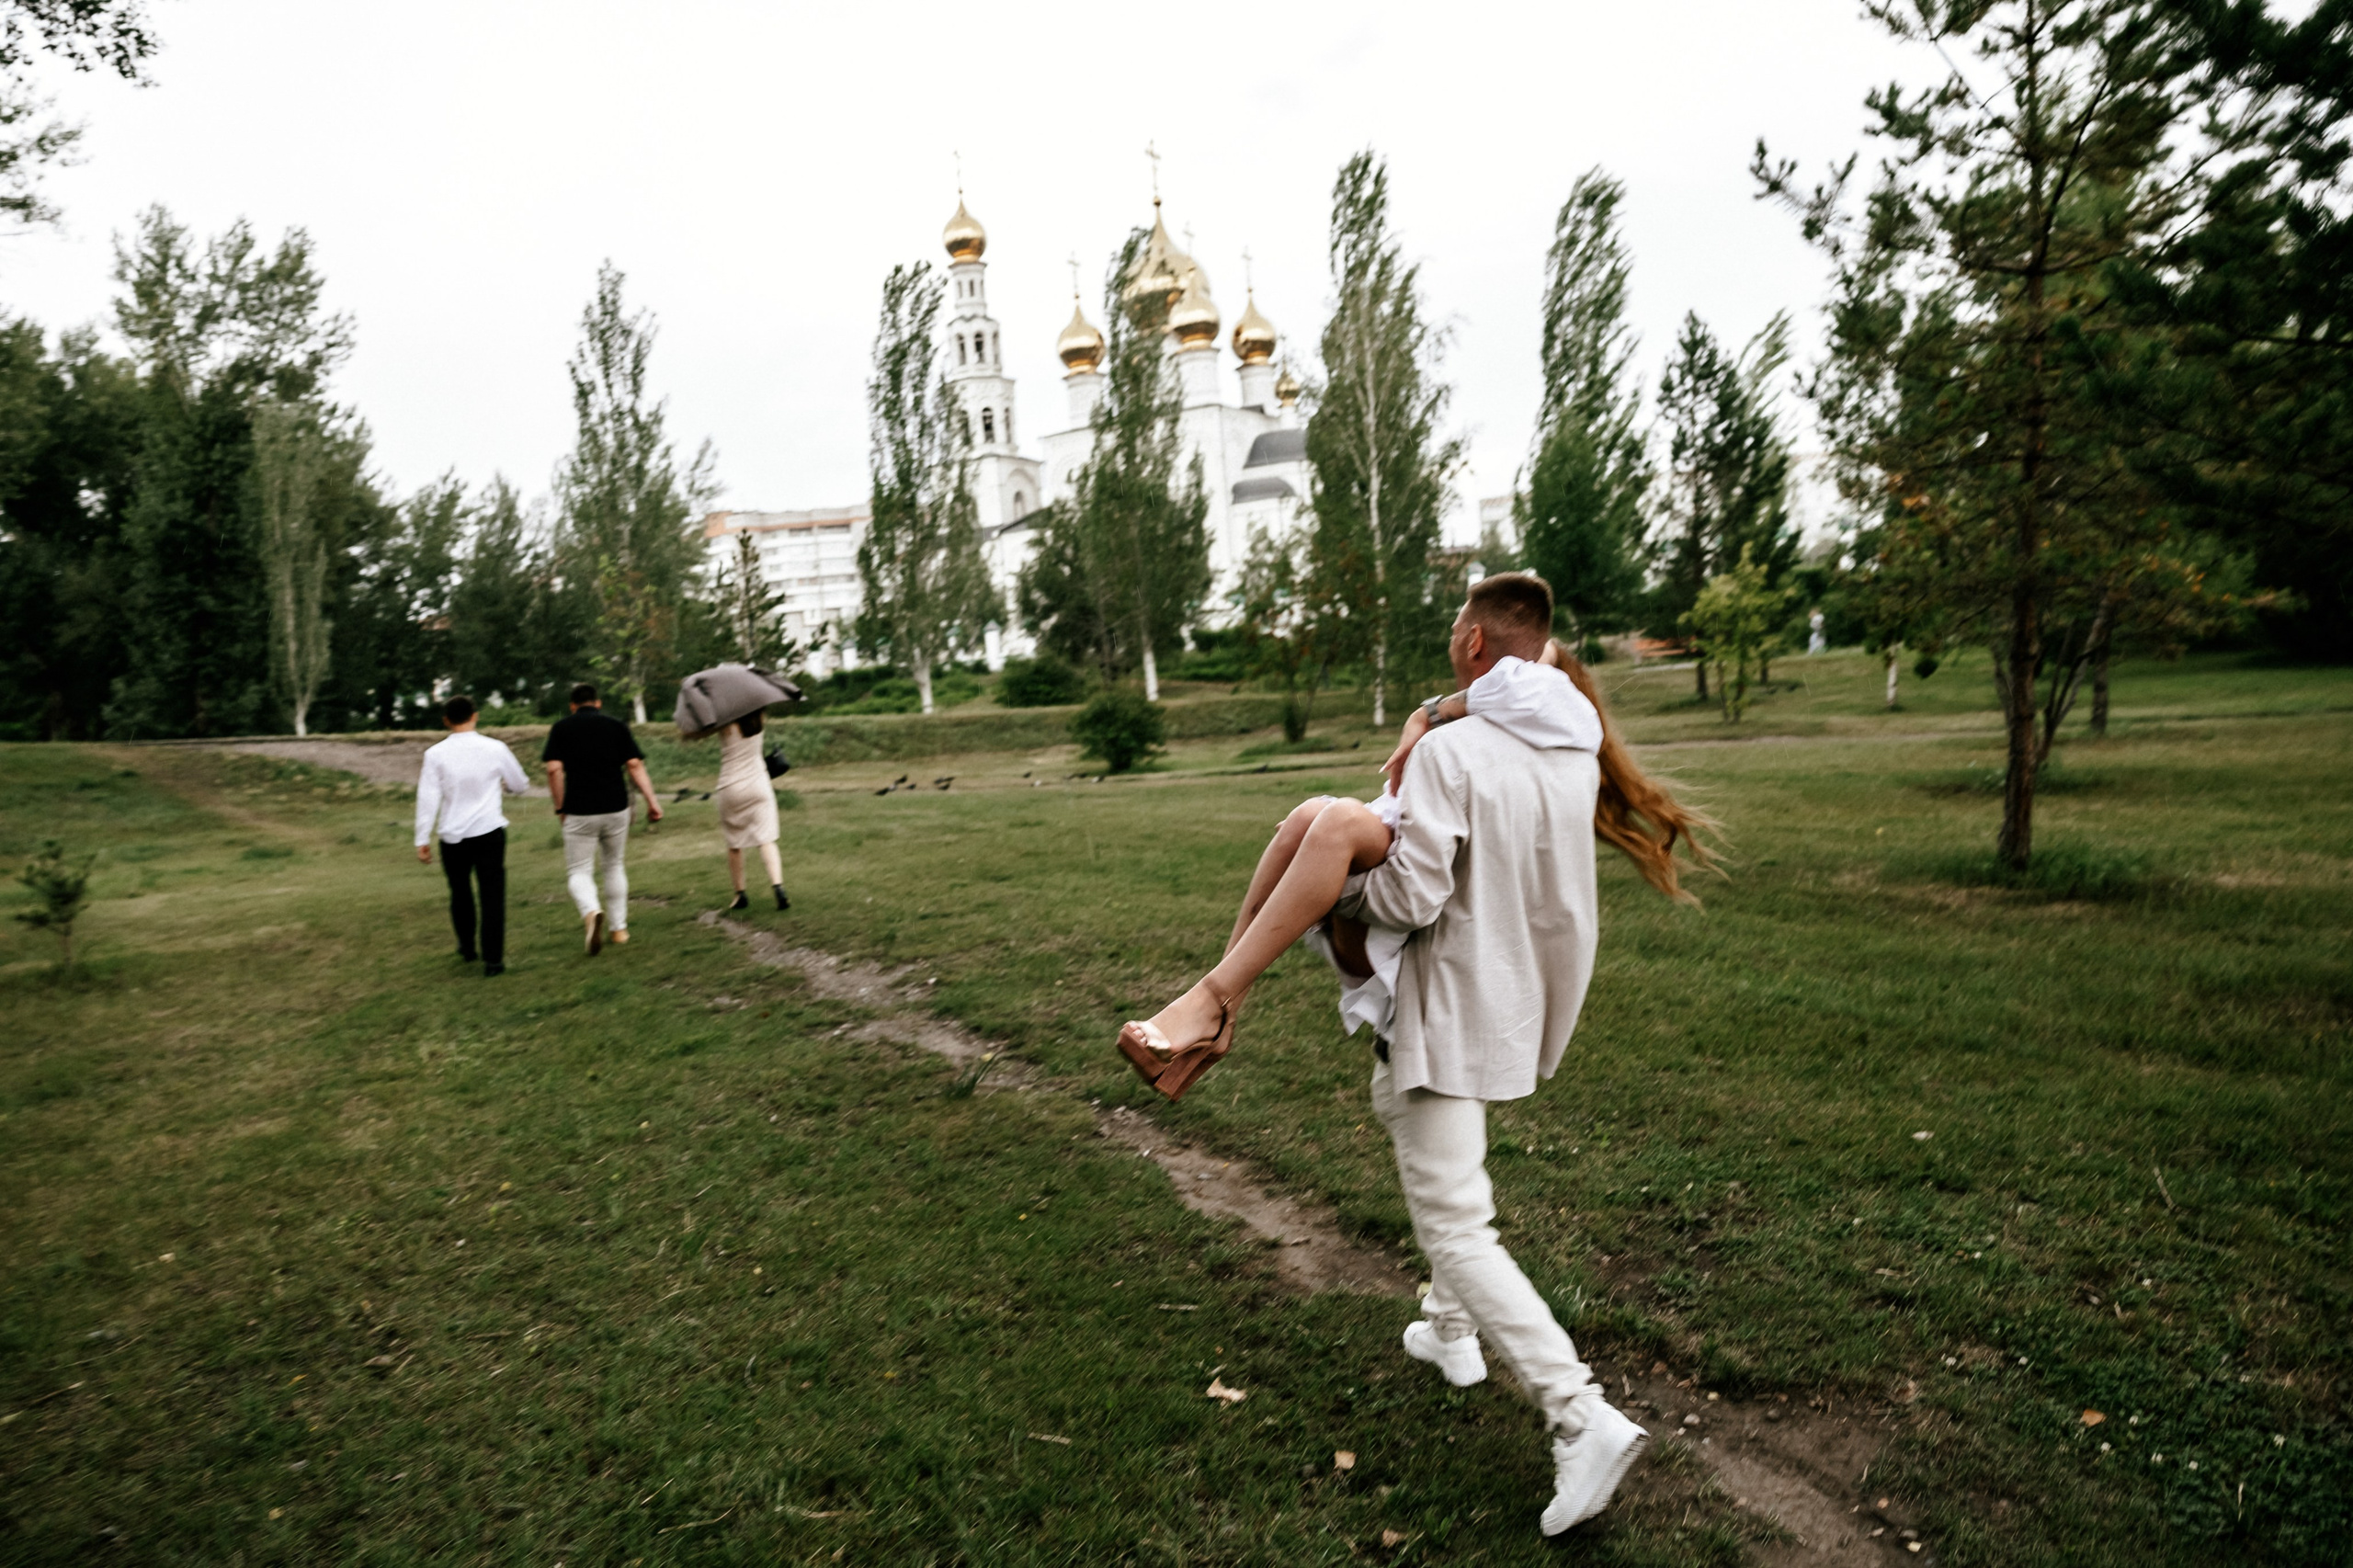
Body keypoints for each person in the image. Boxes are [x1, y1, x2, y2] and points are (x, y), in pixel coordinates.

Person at [1136, 572, 1717, 1536]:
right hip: (1514, 999)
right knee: (1458, 1179)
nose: (1453, 637)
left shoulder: (1454, 752)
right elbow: (1532, 716)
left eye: (1457, 624)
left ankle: (1580, 1413)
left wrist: (1334, 899)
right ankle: (1450, 1332)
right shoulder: (1570, 741)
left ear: (1475, 643)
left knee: (1455, 1221)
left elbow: (1410, 900)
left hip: (1446, 1004)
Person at [541, 682, 665, 955]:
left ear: (572, 706)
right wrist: (652, 802)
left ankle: (591, 911)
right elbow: (634, 765)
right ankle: (619, 929)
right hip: (615, 807)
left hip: (580, 808)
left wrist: (560, 807)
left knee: (579, 870)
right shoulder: (616, 726)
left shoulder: (561, 728)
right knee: (614, 865)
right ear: (597, 703)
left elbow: (553, 770)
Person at [414, 694, 530, 976]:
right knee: (492, 895)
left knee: (460, 892)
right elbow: (520, 784)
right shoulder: (495, 748)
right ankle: (494, 959)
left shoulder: (435, 754)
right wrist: (507, 788)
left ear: (446, 721)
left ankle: (467, 946)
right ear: (475, 715)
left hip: (452, 836)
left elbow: (428, 798)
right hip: (489, 831)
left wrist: (421, 838)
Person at [709, 707, 790, 911]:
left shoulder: (724, 721)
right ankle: (778, 887)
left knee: (734, 844)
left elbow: (699, 727)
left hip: (730, 787)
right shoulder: (758, 719)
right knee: (766, 840)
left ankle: (740, 894)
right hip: (758, 784)